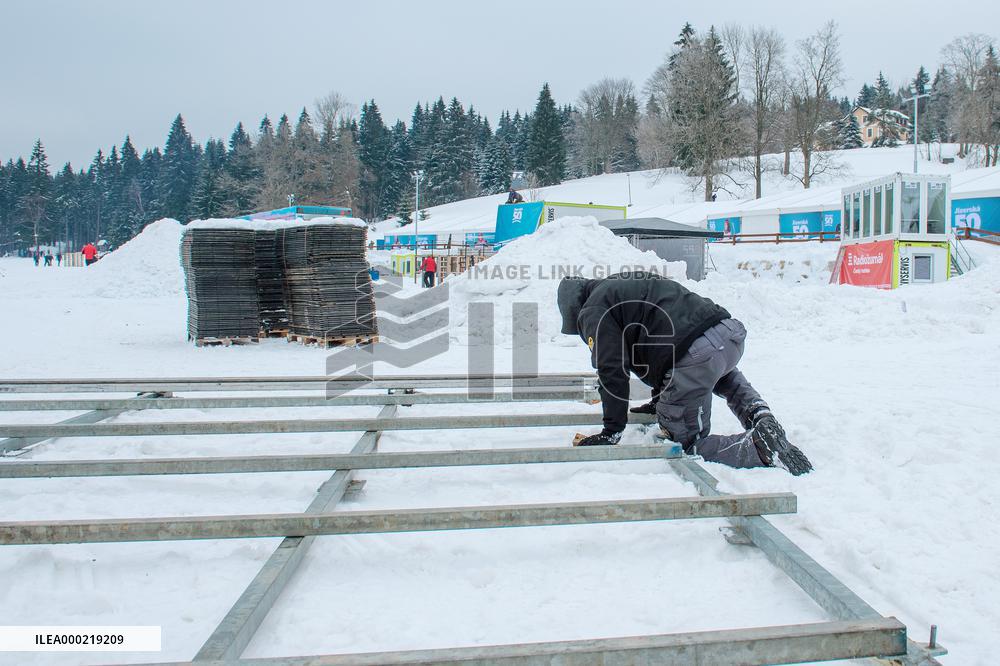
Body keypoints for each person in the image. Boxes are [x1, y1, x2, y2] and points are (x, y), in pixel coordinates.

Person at [556, 272, 812, 475]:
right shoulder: (619, 285)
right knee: (719, 371)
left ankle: (758, 448)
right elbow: (658, 335)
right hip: (726, 334)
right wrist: (659, 401)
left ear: (575, 310)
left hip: (693, 357)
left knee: (684, 442)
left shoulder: (592, 310)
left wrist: (611, 431)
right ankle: (759, 414)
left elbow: (612, 368)